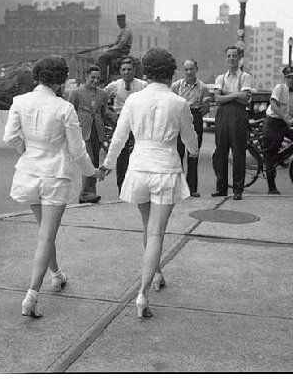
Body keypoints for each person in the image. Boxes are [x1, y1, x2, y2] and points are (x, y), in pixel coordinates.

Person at [97, 48, 198, 318]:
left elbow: (119, 138)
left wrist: (107, 164)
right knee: (156, 232)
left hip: (139, 167)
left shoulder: (133, 100)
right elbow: (190, 138)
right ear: (171, 71)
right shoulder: (178, 103)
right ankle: (142, 293)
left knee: (147, 226)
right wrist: (194, 150)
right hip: (165, 169)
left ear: (146, 72)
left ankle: (156, 273)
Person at [3, 56, 98, 318]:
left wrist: (27, 151)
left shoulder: (19, 102)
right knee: (46, 235)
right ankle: (32, 295)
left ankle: (56, 274)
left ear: (37, 77)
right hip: (55, 176)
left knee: (45, 232)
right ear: (59, 80)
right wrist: (93, 173)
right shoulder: (64, 108)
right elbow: (78, 152)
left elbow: (10, 137)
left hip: (29, 173)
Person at [67, 65, 116, 203]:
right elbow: (70, 112)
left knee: (95, 160)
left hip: (98, 132)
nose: (95, 81)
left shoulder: (102, 94)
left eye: (98, 78)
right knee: (89, 161)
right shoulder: (76, 93)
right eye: (92, 78)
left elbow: (103, 112)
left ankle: (89, 192)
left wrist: (114, 117)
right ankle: (87, 193)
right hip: (83, 132)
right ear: (86, 77)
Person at [211, 46, 255, 200]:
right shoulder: (220, 78)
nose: (231, 58)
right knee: (221, 151)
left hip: (239, 115)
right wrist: (237, 94)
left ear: (239, 58)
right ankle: (221, 188)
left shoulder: (245, 77)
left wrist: (226, 93)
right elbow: (217, 98)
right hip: (223, 115)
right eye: (229, 56)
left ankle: (238, 190)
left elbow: (245, 99)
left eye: (234, 56)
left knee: (238, 153)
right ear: (226, 58)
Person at [104, 57, 148, 191]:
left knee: (138, 152)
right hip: (120, 120)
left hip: (137, 122)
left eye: (129, 69)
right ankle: (122, 187)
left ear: (134, 70)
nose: (126, 72)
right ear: (120, 71)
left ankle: (137, 187)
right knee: (121, 154)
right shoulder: (114, 85)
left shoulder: (142, 85)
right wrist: (108, 111)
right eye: (123, 70)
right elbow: (101, 99)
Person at [171, 59, 210, 197]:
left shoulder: (203, 87)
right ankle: (179, 188)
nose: (189, 72)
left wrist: (195, 116)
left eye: (191, 69)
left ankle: (192, 188)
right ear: (183, 71)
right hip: (179, 119)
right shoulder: (176, 86)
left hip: (195, 117)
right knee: (178, 153)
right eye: (186, 69)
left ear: (196, 69)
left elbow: (206, 108)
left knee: (193, 154)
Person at [263, 65, 293, 195]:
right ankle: (271, 187)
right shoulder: (279, 88)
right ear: (285, 78)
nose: (291, 80)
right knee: (271, 156)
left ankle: (284, 158)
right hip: (273, 123)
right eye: (289, 77)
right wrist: (286, 119)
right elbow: (274, 105)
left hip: (284, 124)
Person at [97, 14, 133, 79]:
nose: (119, 23)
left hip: (122, 51)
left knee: (102, 57)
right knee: (105, 56)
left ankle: (103, 79)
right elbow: (117, 42)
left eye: (120, 21)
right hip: (119, 50)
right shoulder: (123, 30)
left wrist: (110, 49)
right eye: (118, 21)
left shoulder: (127, 31)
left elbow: (121, 45)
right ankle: (109, 73)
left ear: (124, 21)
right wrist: (112, 45)